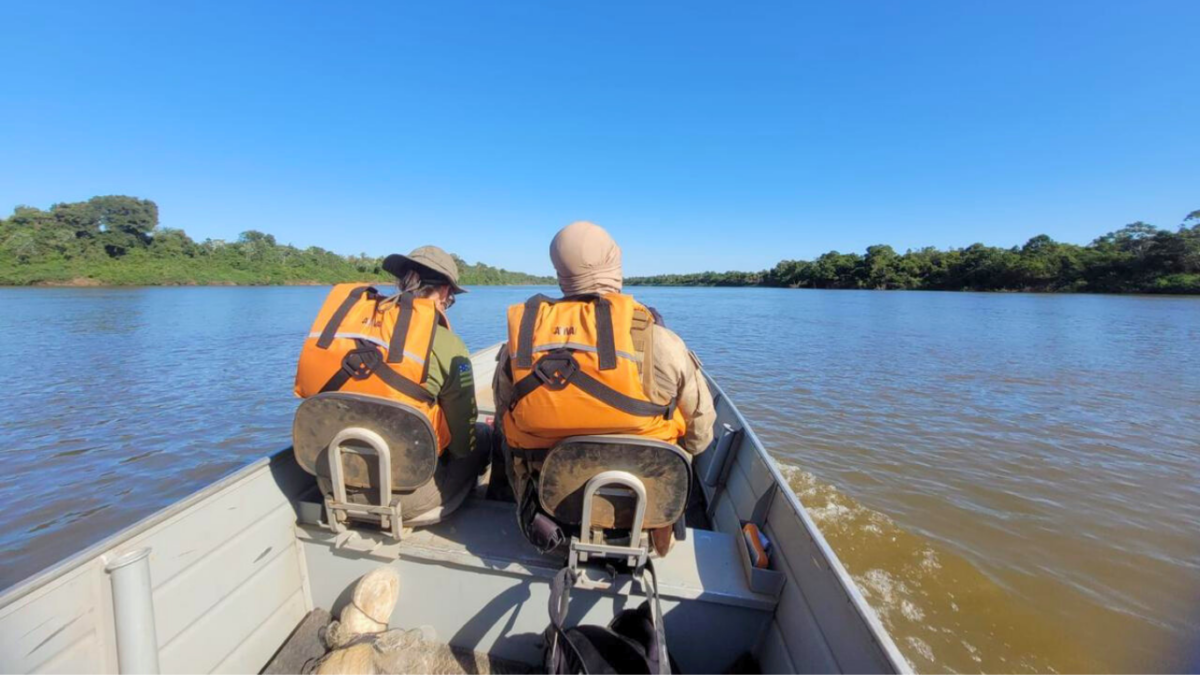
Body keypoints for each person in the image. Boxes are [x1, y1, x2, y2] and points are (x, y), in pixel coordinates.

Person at [492, 221, 716, 544]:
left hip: (550, 515)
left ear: (560, 275)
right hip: (644, 516)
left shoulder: (518, 347)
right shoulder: (663, 343)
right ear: (615, 269)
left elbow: (503, 418)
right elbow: (701, 437)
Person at [294, 245, 485, 523]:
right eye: (451, 298)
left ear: (401, 283)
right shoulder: (445, 343)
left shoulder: (341, 333)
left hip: (331, 484)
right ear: (444, 292)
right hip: (405, 499)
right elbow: (462, 428)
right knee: (483, 439)